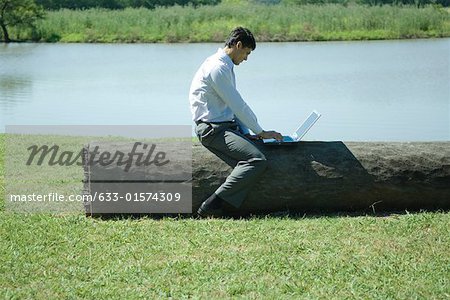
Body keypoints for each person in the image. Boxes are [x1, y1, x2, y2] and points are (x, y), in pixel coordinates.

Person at [189, 27, 282, 218]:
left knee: (261, 149)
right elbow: (238, 105)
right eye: (246, 53)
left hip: (224, 126)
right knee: (256, 159)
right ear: (238, 45)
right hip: (212, 131)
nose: (246, 58)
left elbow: (231, 107)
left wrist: (248, 132)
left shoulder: (224, 65)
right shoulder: (218, 68)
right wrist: (262, 131)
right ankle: (212, 204)